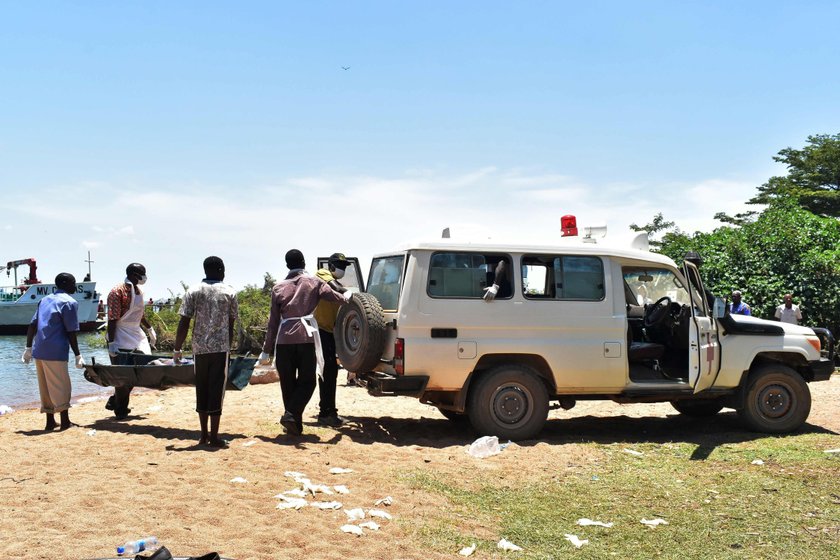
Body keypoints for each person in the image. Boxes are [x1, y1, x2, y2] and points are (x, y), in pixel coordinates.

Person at [259, 249, 352, 436]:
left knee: (287, 383)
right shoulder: (314, 282)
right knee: (308, 381)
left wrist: (266, 350)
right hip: (305, 337)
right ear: (303, 262)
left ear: (287, 265)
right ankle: (291, 416)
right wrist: (347, 297)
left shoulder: (277, 287)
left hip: (284, 339)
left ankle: (293, 423)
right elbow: (335, 297)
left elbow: (273, 322)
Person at [173, 256, 239, 448]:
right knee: (217, 391)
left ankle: (203, 435)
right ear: (220, 269)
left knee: (201, 388)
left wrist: (177, 349)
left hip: (199, 349)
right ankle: (214, 436)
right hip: (220, 349)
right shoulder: (230, 292)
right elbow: (230, 323)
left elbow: (184, 321)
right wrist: (229, 345)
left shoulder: (193, 291)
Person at [21, 273, 85, 430]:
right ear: (64, 283)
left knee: (45, 386)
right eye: (73, 283)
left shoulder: (44, 300)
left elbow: (32, 325)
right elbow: (71, 331)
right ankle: (65, 422)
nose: (75, 286)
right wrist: (78, 354)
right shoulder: (69, 302)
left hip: (39, 349)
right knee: (61, 385)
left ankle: (50, 422)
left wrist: (28, 348)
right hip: (55, 351)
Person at [105, 263, 157, 419]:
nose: (144, 277)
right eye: (142, 274)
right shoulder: (116, 292)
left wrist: (149, 329)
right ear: (134, 274)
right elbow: (112, 319)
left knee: (139, 371)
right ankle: (120, 409)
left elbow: (140, 315)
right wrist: (112, 343)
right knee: (122, 375)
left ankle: (115, 400)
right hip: (120, 334)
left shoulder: (139, 291)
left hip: (136, 334)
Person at [313, 252, 352, 426]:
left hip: (328, 333)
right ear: (331, 266)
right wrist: (345, 291)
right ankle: (326, 413)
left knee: (330, 372)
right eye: (340, 266)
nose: (342, 269)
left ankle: (328, 411)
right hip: (318, 330)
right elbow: (333, 286)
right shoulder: (323, 274)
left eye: (345, 267)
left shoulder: (337, 285)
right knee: (327, 372)